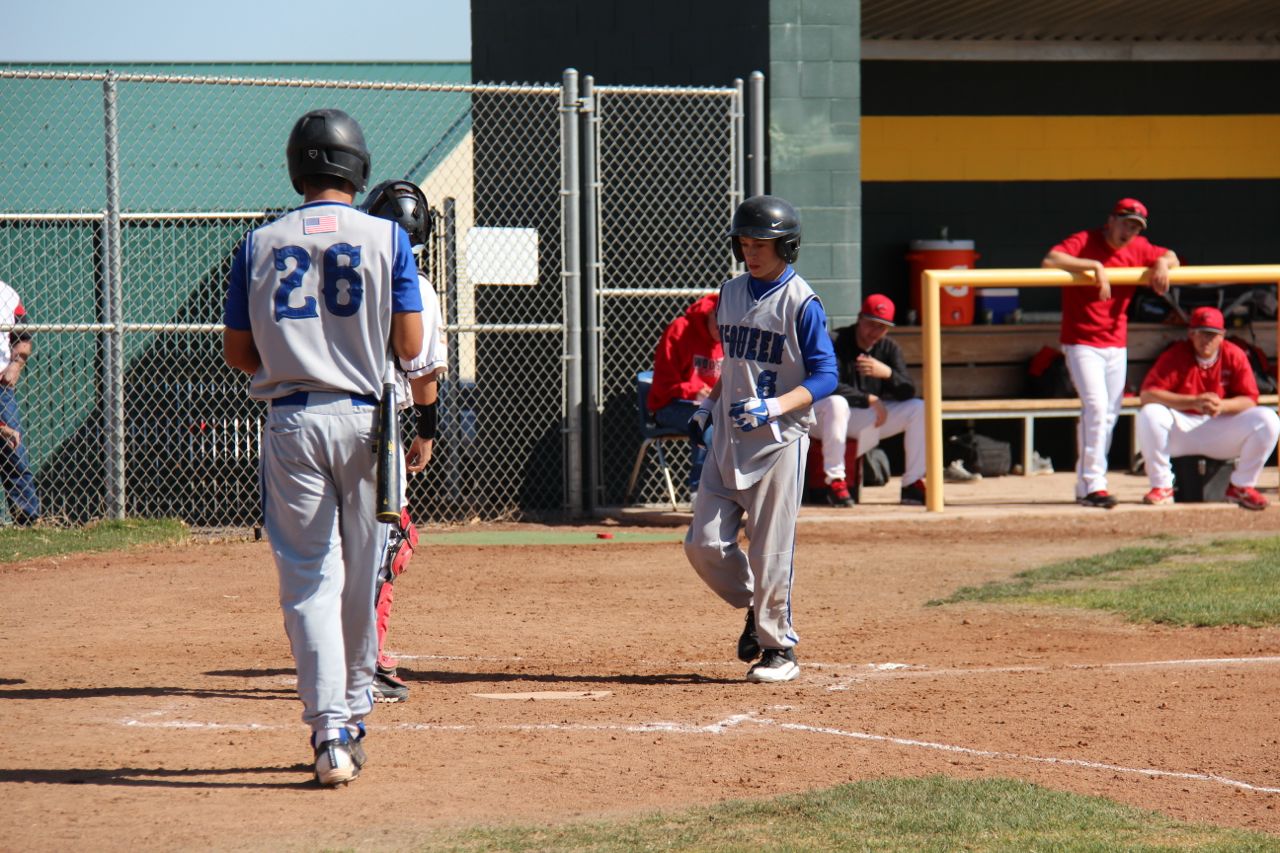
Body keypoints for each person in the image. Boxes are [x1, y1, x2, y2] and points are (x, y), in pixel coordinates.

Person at [222, 109, 424, 786]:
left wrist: (297, 352)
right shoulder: (387, 236)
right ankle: (356, 709)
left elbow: (239, 354)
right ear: (357, 167)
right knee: (363, 576)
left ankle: (330, 731)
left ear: (296, 168)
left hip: (291, 420)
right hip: (369, 421)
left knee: (310, 579)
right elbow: (410, 345)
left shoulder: (258, 243)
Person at [684, 195, 837, 684]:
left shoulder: (802, 303)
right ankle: (756, 606)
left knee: (770, 550)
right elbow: (735, 367)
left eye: (762, 245)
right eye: (745, 244)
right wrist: (707, 406)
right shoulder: (729, 292)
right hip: (729, 437)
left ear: (786, 247)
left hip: (779, 440)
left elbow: (826, 375)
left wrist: (774, 407)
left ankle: (779, 650)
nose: (751, 253)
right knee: (703, 544)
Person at [358, 179, 449, 704]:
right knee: (390, 542)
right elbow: (423, 371)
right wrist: (428, 433)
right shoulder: (416, 285)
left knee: (333, 544)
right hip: (381, 424)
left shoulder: (347, 272)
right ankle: (365, 658)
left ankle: (331, 649)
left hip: (314, 417)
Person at [1042, 198, 1180, 508]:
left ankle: (1088, 483)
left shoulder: (1139, 246)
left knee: (1108, 415)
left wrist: (1161, 263)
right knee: (1096, 407)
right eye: (1126, 223)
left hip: (1116, 343)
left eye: (1135, 227)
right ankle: (1093, 484)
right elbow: (1051, 260)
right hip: (1082, 341)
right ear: (1111, 220)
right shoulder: (1086, 240)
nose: (1129, 231)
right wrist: (1093, 266)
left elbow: (1172, 256)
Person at [1136, 306, 1279, 510]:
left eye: (1212, 334)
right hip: (1183, 427)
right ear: (1191, 334)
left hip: (1220, 426)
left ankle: (1242, 486)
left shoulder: (1233, 353)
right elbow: (1148, 395)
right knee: (1150, 414)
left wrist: (1223, 405)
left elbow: (1250, 399)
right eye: (1201, 333)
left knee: (1268, 419)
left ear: (1222, 336)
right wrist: (1192, 402)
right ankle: (1162, 486)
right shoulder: (1177, 354)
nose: (1207, 340)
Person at [813, 293, 926, 506]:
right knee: (837, 403)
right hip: (822, 418)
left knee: (919, 408)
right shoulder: (835, 340)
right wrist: (869, 399)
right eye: (871, 324)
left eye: (882, 327)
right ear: (859, 318)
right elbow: (828, 383)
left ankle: (912, 483)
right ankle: (835, 481)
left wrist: (887, 374)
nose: (875, 331)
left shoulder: (888, 348)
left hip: (862, 419)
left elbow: (908, 391)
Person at [647, 292, 723, 501]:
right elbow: (663, 383)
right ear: (709, 313)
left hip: (714, 407)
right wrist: (693, 390)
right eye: (719, 320)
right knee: (706, 420)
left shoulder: (734, 336)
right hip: (670, 405)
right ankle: (701, 493)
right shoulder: (680, 330)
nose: (723, 328)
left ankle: (737, 492)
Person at [0, 280, 39, 526]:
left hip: (1, 386)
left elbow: (24, 337)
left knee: (13, 450)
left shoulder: (7, 294)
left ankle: (27, 517)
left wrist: (16, 365)